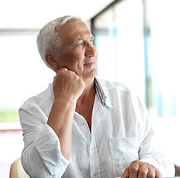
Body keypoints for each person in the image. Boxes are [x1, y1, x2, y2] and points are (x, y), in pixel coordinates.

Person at [19, 15, 174, 178]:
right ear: (52, 60)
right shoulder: (33, 109)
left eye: (91, 41)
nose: (93, 51)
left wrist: (149, 164)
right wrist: (64, 100)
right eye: (79, 44)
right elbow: (42, 172)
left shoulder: (126, 97)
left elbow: (159, 154)